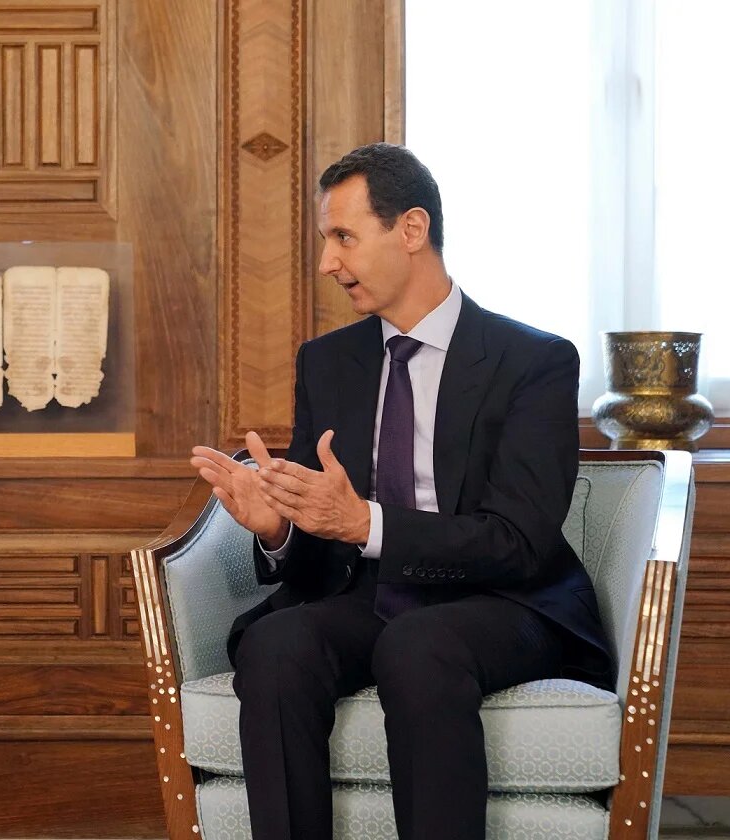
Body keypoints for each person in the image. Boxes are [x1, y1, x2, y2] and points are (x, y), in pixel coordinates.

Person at [190, 142, 611, 840]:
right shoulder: (327, 362)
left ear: (411, 229)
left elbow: (520, 540)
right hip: (370, 593)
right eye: (326, 240)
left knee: (419, 646)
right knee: (276, 645)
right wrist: (278, 528)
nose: (327, 262)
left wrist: (366, 525)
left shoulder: (533, 361)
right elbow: (321, 537)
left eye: (343, 237)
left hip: (503, 599)